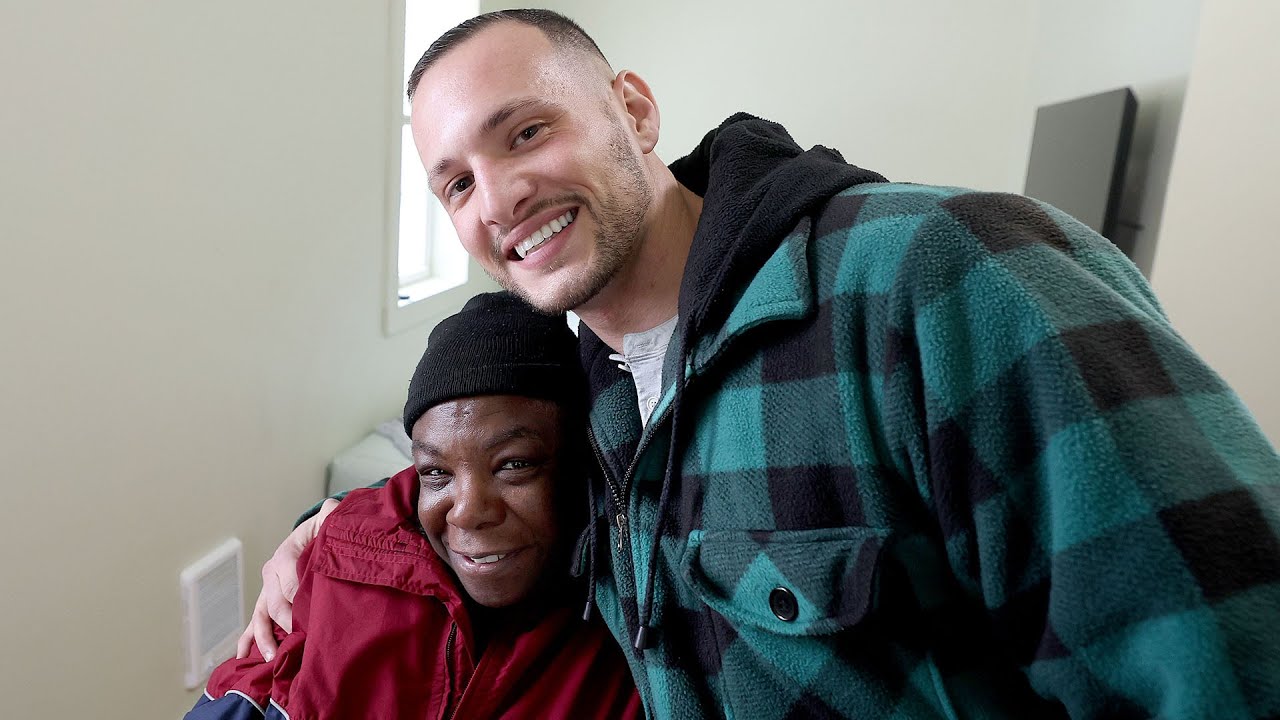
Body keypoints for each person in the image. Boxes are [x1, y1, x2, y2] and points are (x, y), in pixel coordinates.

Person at [248, 9, 1280, 719]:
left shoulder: (938, 276)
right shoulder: (598, 391)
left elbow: (1226, 655)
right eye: (455, 184)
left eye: (525, 132)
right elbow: (478, 465)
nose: (496, 198)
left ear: (634, 112)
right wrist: (321, 534)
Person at [193, 292, 641, 719]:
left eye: (513, 465)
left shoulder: (638, 618)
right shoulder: (343, 562)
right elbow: (248, 693)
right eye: (436, 472)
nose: (466, 511)